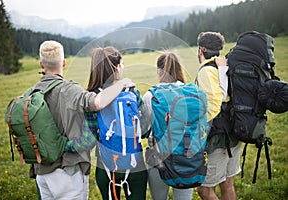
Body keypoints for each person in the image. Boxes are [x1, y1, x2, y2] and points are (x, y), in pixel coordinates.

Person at [34, 40, 134, 200]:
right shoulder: (71, 90)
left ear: (41, 64)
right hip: (68, 171)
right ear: (64, 62)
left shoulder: (32, 94)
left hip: (41, 172)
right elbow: (97, 104)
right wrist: (121, 83)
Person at [65, 46, 148, 200]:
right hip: (136, 164)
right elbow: (143, 129)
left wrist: (64, 146)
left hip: (107, 167)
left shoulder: (92, 98)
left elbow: (87, 141)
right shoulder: (132, 92)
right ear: (116, 67)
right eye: (121, 64)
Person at [195, 32, 241, 200]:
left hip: (219, 138)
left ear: (202, 49)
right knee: (227, 184)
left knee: (204, 190)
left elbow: (216, 101)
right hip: (234, 132)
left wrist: (203, 128)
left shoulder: (207, 70)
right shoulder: (224, 67)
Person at [143, 52, 193, 200]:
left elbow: (145, 129)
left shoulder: (150, 95)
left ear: (159, 71)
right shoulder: (190, 91)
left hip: (158, 155)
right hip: (186, 155)